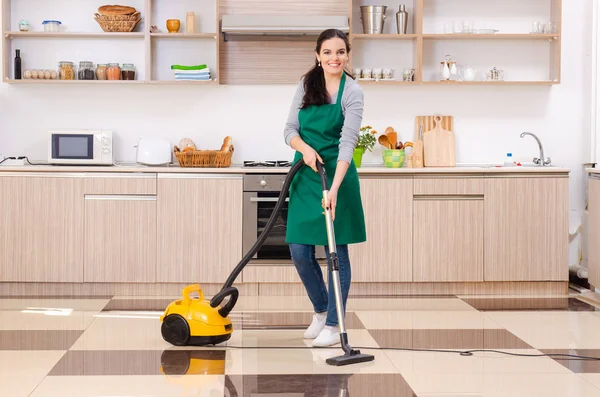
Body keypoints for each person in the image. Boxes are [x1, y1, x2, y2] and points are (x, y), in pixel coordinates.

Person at [283, 29, 367, 347]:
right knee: (300, 250)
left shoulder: (353, 92)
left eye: (341, 52)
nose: (335, 58)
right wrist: (303, 149)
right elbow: (289, 129)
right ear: (318, 55)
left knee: (337, 251)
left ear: (347, 56)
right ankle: (321, 310)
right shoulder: (306, 86)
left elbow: (347, 143)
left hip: (338, 176)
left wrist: (333, 188)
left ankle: (334, 324)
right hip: (306, 173)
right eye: (328, 52)